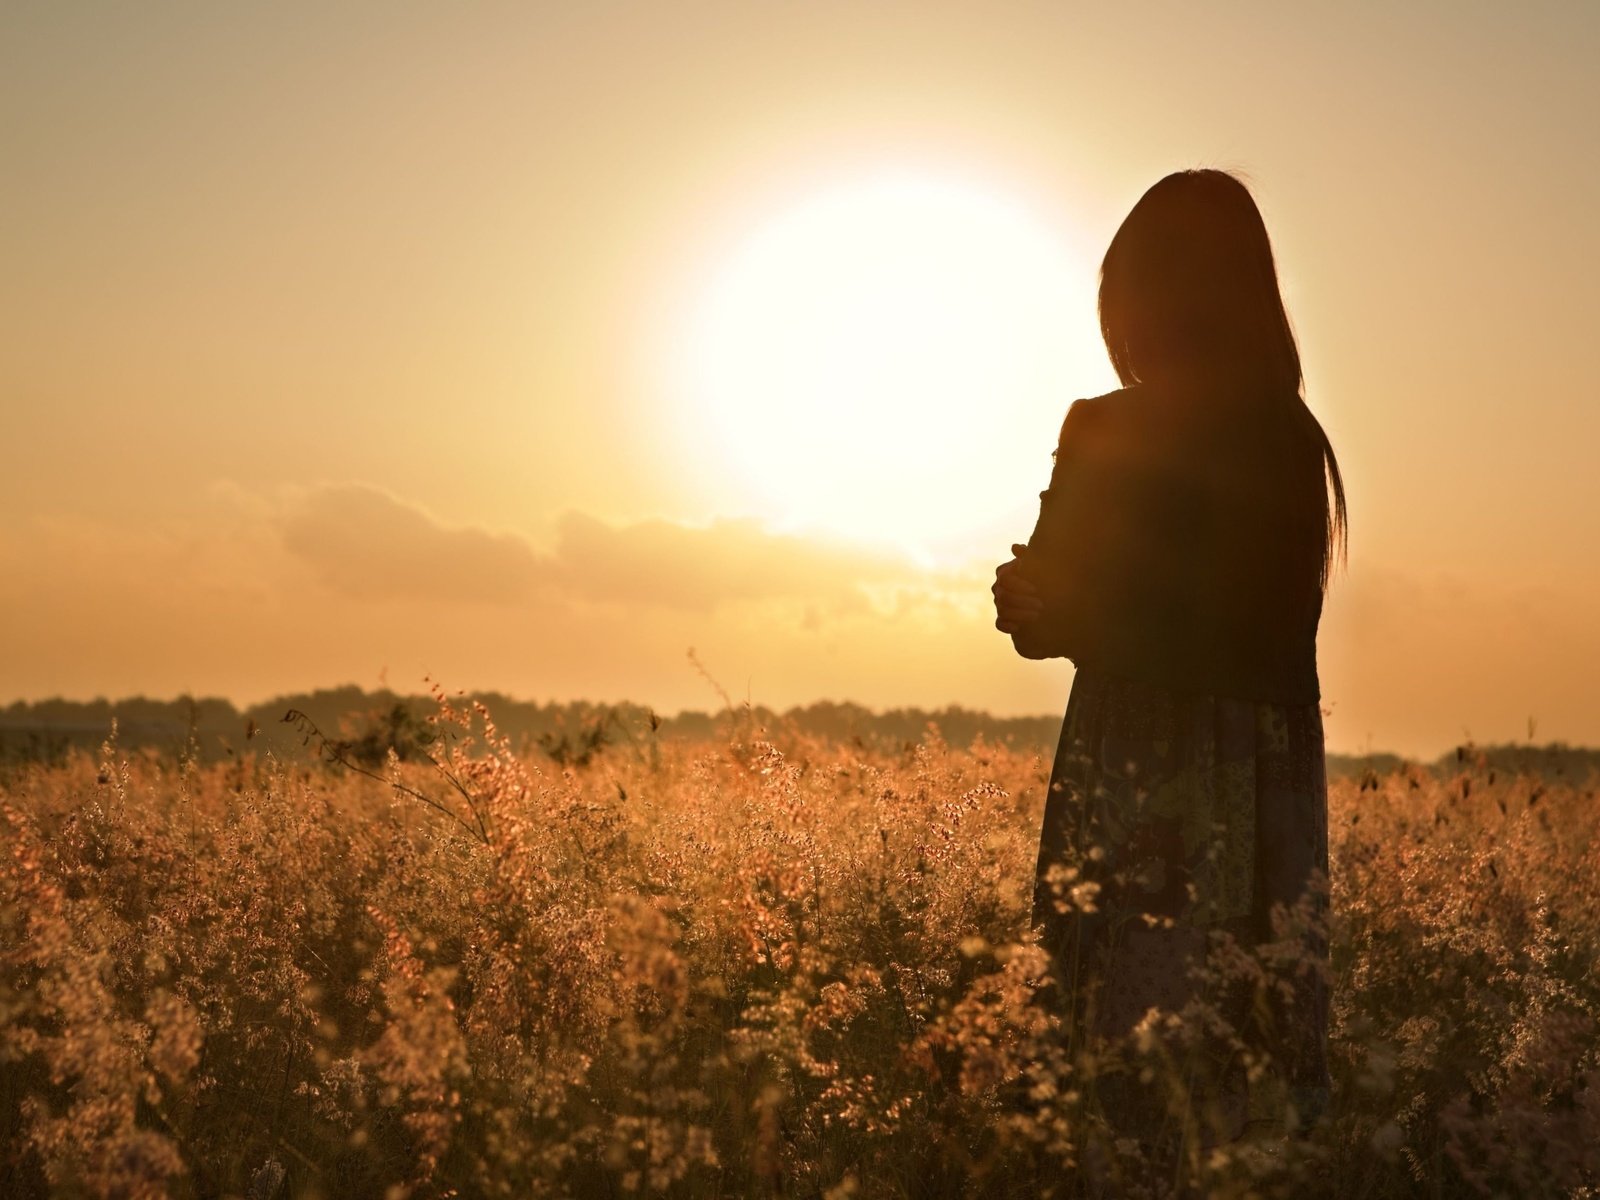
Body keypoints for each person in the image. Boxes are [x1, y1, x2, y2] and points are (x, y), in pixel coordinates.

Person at [992, 168, 1346, 1153]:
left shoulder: (1136, 428)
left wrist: (1051, 613)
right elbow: (1075, 606)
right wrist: (1033, 604)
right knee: (1233, 1099)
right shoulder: (1288, 437)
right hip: (1256, 780)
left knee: (1119, 1081)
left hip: (1139, 766)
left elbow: (1166, 626)